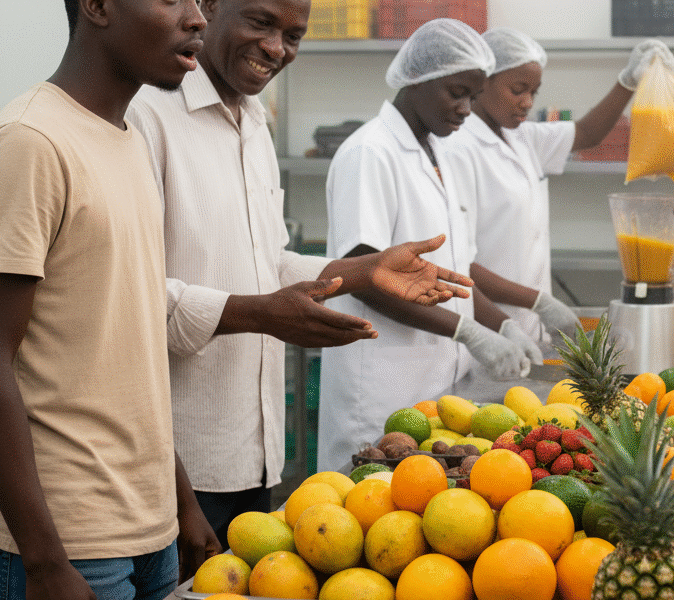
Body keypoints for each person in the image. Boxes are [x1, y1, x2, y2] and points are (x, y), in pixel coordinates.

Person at [127, 0, 474, 550]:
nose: (276, 49)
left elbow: (268, 259)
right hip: (172, 465)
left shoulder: (253, 120)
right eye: (261, 23)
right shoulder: (147, 114)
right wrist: (262, 314)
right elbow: (126, 296)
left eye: (294, 35)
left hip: (254, 454)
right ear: (210, 7)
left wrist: (365, 271)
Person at [0, 0, 220, 598]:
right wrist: (46, 562)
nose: (198, 18)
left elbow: (124, 356)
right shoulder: (29, 143)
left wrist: (179, 502)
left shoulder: (124, 138)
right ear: (99, 6)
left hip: (145, 530)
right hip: (65, 546)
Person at [320, 19, 549, 472]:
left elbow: (457, 266)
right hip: (382, 387)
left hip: (435, 391)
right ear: (418, 80)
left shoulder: (441, 151)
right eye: (456, 93)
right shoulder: (370, 153)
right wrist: (464, 331)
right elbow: (363, 277)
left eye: (472, 96)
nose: (466, 109)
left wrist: (501, 325)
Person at [440, 28, 669, 346]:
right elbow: (455, 261)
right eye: (518, 89)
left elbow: (587, 133)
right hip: (486, 327)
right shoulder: (457, 148)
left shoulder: (521, 137)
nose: (527, 103)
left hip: (528, 327)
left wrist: (628, 82)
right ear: (483, 81)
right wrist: (537, 301)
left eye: (534, 92)